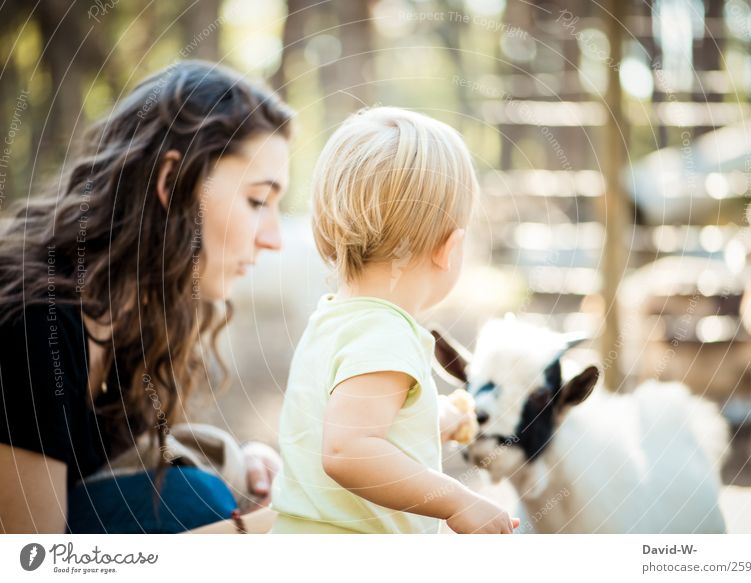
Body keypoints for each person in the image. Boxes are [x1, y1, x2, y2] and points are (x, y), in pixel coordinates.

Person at [0, 60, 292, 534]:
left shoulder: (131, 321)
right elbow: (31, 564)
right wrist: (264, 531)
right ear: (172, 183)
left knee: (193, 491)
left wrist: (244, 462)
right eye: (258, 201)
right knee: (192, 500)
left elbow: (114, 483)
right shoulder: (36, 327)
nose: (274, 238)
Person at [270, 107, 519, 533]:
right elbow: (349, 451)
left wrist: (435, 420)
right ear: (449, 247)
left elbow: (361, 427)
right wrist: (457, 502)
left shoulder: (334, 319)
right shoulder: (386, 335)